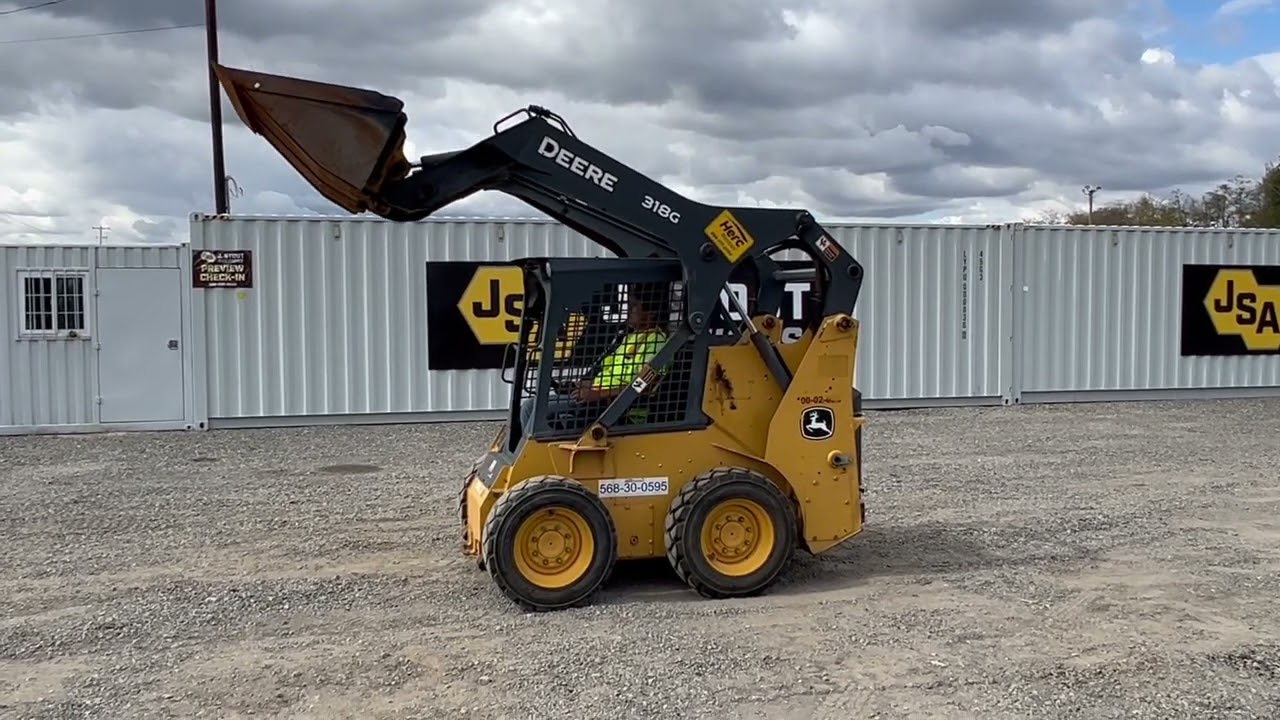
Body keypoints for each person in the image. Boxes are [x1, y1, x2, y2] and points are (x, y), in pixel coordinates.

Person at [519, 284, 668, 432]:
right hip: (598, 400)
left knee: (542, 413)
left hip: (618, 409)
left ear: (652, 313)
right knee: (529, 406)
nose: (628, 310)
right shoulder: (629, 338)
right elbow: (609, 374)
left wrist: (598, 394)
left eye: (634, 306)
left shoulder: (657, 344)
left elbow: (644, 386)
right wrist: (581, 385)